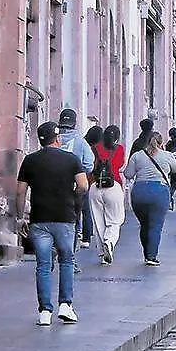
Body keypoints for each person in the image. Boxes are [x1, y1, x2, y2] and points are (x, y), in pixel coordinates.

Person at [15, 122, 88, 326]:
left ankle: (45, 311)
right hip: (65, 217)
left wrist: (20, 217)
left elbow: (20, 192)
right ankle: (65, 305)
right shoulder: (71, 159)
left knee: (43, 265)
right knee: (67, 260)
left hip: (39, 219)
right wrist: (74, 198)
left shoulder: (30, 160)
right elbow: (83, 185)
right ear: (57, 139)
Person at [123, 132, 176, 266]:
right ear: (161, 143)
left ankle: (146, 253)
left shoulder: (137, 156)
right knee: (155, 226)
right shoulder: (167, 155)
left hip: (139, 192)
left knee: (144, 225)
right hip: (159, 192)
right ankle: (151, 256)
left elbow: (128, 174)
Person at [57, 109, 94, 256]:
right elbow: (89, 165)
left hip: (52, 185)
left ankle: (55, 248)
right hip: (74, 186)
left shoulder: (53, 138)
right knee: (73, 220)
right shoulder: (81, 142)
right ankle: (69, 254)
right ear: (74, 123)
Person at [90, 125, 127, 265]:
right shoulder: (120, 149)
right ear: (117, 137)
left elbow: (91, 166)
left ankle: (102, 254)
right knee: (115, 220)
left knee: (98, 221)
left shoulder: (95, 148)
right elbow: (120, 165)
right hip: (114, 185)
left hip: (96, 186)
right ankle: (109, 242)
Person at [80, 125, 102, 247]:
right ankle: (86, 236)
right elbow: (93, 166)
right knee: (87, 210)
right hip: (87, 180)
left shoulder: (81, 143)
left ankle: (81, 234)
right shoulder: (92, 148)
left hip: (77, 179)